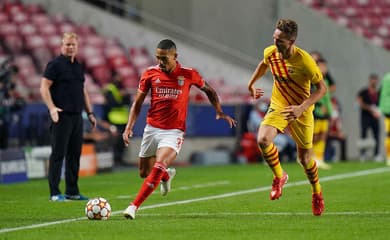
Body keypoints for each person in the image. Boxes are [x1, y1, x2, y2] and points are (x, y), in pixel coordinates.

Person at [122, 39, 237, 219]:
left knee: (158, 164)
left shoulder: (188, 74)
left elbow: (210, 91)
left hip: (173, 132)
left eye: (164, 58)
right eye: (158, 58)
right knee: (144, 173)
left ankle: (133, 206)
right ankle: (166, 176)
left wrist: (219, 111)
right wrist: (129, 127)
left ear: (175, 56)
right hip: (151, 129)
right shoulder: (149, 74)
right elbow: (137, 103)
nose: (160, 62)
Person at [247, 19, 327, 216]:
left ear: (292, 41)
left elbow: (322, 89)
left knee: (305, 159)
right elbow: (263, 64)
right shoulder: (271, 53)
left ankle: (317, 192)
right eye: (275, 38)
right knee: (263, 139)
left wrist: (302, 108)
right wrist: (251, 84)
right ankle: (279, 176)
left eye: (280, 41)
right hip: (279, 105)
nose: (276, 43)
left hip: (302, 110)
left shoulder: (306, 62)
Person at [40, 32, 97, 202]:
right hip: (61, 116)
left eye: (73, 45)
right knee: (58, 154)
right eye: (67, 44)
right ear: (61, 46)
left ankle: (72, 191)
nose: (70, 47)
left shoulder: (78, 66)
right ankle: (54, 192)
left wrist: (90, 113)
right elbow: (44, 87)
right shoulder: (54, 65)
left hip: (77, 116)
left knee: (74, 154)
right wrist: (52, 109)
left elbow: (83, 91)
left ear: (77, 47)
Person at [103, 72, 131, 166]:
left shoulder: (122, 89)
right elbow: (112, 104)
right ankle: (115, 159)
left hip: (123, 119)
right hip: (114, 118)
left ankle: (120, 159)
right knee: (116, 140)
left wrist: (125, 97)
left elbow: (129, 101)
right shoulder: (110, 89)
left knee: (123, 141)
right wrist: (123, 98)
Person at [312, 58, 333, 169]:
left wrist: (330, 111)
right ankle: (310, 157)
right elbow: (312, 94)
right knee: (314, 136)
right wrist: (319, 105)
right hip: (316, 111)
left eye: (325, 66)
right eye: (322, 66)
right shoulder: (313, 79)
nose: (324, 69)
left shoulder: (326, 81)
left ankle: (319, 159)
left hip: (325, 113)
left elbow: (328, 98)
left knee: (323, 136)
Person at [356, 73, 381, 161]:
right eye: (372, 79)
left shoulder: (378, 93)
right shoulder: (363, 92)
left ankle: (377, 154)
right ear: (369, 80)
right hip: (365, 116)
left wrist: (378, 112)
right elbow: (359, 103)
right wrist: (371, 109)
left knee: (376, 135)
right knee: (364, 134)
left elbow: (381, 104)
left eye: (375, 79)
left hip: (375, 117)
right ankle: (363, 154)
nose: (374, 81)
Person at [379, 72, 390, 166]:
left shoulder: (386, 77)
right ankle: (389, 157)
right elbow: (384, 94)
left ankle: (389, 157)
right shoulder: (388, 78)